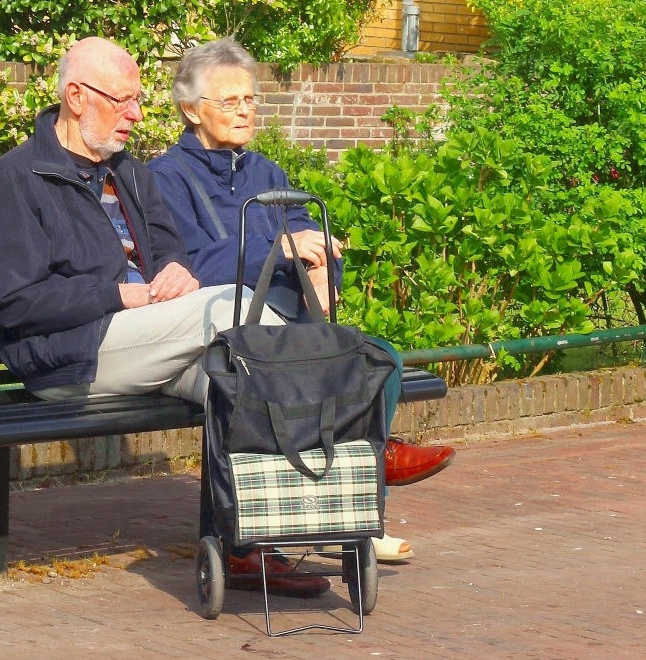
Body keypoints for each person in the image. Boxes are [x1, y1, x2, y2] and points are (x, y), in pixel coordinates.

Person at [0, 37, 331, 597]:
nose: (138, 115)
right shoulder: (18, 180)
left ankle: (244, 547)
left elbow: (172, 254)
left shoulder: (130, 174)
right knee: (233, 308)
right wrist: (122, 296)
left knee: (237, 378)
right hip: (69, 356)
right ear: (75, 96)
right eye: (123, 101)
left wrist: (177, 276)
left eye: (138, 100)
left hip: (151, 341)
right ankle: (343, 438)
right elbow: (17, 302)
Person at [148, 37, 456, 564]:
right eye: (229, 102)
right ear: (190, 110)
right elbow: (189, 267)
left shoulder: (265, 172)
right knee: (305, 378)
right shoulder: (165, 178)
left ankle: (359, 514)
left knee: (379, 358)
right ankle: (370, 472)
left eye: (250, 100)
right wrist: (280, 249)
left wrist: (324, 271)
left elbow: (307, 235)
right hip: (228, 335)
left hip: (292, 325)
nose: (244, 111)